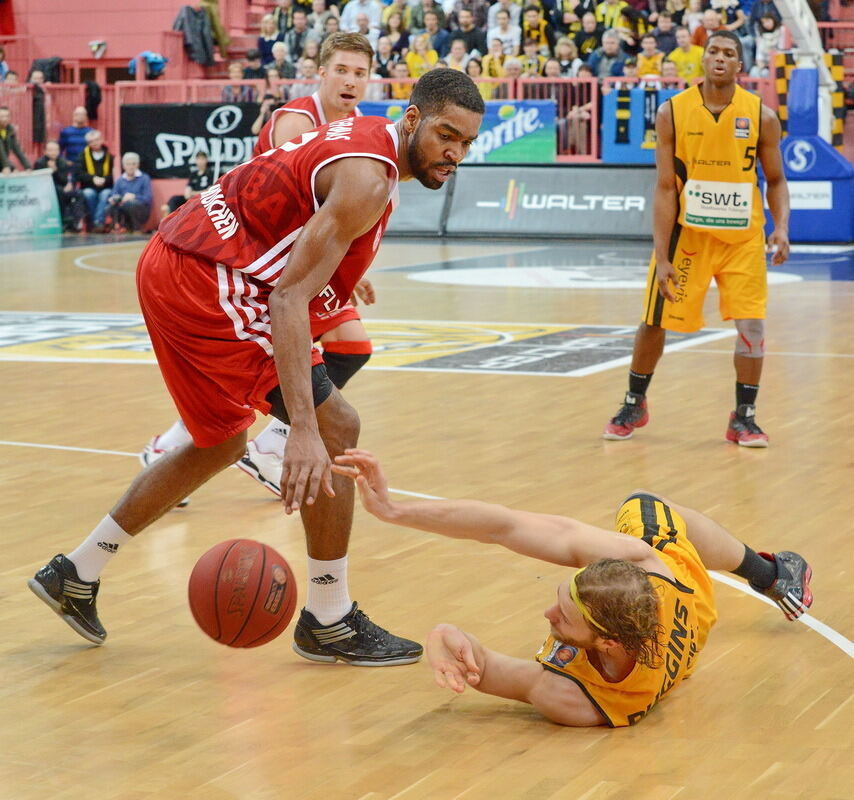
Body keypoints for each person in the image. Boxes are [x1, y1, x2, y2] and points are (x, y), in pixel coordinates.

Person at [29, 69, 485, 670]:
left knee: (219, 444)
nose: (454, 153)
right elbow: (287, 300)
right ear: (411, 119)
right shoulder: (368, 181)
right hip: (208, 280)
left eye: (466, 143)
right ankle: (330, 618)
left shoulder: (370, 145)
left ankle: (75, 573)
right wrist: (299, 427)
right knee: (334, 426)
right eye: (445, 135)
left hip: (175, 259)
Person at [332, 448, 813, 726]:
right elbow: (504, 526)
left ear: (605, 640)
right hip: (691, 599)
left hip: (677, 625)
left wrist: (442, 636)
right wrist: (394, 512)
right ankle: (769, 574)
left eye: (563, 615)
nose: (547, 613)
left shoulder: (575, 698)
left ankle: (768, 573)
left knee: (640, 512)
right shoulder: (652, 572)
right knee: (651, 517)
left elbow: (495, 671)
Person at [147, 32, 377, 499]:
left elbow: (337, 218)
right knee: (253, 372)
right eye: (342, 70)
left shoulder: (358, 128)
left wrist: (350, 268)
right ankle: (181, 447)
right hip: (248, 259)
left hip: (296, 260)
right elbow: (298, 214)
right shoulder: (296, 122)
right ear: (322, 73)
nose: (350, 81)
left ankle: (266, 445)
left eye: (360, 73)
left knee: (349, 347)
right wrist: (333, 269)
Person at [603, 31, 790, 446]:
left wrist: (781, 227)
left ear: (740, 65)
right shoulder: (673, 111)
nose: (720, 58)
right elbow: (666, 187)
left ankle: (744, 416)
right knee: (654, 320)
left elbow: (775, 180)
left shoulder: (762, 116)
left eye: (729, 53)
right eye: (714, 51)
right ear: (702, 59)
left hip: (742, 238)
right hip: (688, 237)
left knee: (752, 325)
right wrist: (661, 252)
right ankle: (635, 402)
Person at [34, 140, 85, 232]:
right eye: (50, 150)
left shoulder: (62, 161)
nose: (53, 152)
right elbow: (40, 181)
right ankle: (63, 220)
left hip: (62, 188)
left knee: (79, 193)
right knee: (58, 191)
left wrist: (56, 170)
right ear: (45, 151)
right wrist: (51, 171)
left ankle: (76, 221)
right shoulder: (40, 163)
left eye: (56, 150)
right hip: (46, 190)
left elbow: (64, 180)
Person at [75, 129, 114, 232]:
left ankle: (98, 222)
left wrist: (104, 180)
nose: (95, 143)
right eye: (91, 141)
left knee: (105, 194)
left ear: (101, 140)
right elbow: (79, 173)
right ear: (88, 143)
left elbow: (113, 174)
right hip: (89, 186)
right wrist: (93, 179)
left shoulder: (109, 156)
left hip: (105, 186)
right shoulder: (82, 156)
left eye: (97, 140)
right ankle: (92, 222)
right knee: (89, 194)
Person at [106, 152, 152, 232]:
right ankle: (116, 227)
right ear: (124, 166)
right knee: (110, 206)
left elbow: (148, 198)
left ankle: (136, 228)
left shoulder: (144, 178)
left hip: (140, 210)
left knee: (131, 204)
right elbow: (113, 194)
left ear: (138, 165)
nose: (131, 167)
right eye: (128, 164)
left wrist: (134, 197)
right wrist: (113, 199)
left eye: (133, 164)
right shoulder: (120, 180)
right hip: (123, 207)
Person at [162, 150, 214, 217]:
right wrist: (191, 193)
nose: (200, 161)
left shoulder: (211, 174)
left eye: (202, 159)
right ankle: (173, 220)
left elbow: (208, 191)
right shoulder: (193, 174)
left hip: (201, 200)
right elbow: (187, 193)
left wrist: (193, 193)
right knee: (174, 199)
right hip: (190, 199)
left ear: (206, 160)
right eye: (198, 159)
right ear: (196, 160)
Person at [0, 105, 32, 173]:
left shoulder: (10, 130)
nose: (4, 119)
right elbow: (1, 151)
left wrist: (27, 166)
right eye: (2, 116)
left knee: (15, 171)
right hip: (2, 160)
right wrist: (6, 166)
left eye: (7, 116)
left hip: (2, 161)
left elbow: (17, 149)